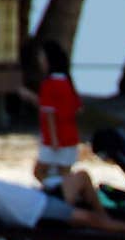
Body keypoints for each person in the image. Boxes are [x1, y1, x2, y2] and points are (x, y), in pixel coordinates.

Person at [0, 146, 125, 237]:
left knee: (82, 177)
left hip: (38, 199)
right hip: (34, 210)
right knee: (90, 217)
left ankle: (103, 214)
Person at [18, 40, 83, 187]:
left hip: (55, 138)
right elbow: (77, 109)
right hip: (70, 135)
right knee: (65, 173)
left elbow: (50, 114)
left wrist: (54, 139)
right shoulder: (67, 81)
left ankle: (58, 195)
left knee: (40, 172)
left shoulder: (49, 84)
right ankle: (62, 195)